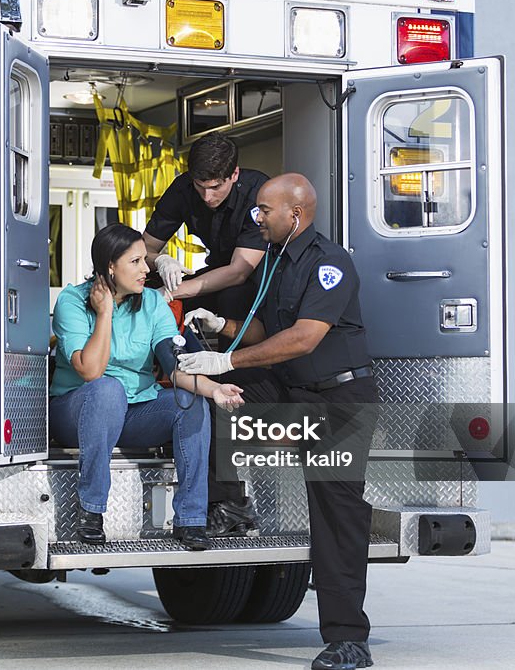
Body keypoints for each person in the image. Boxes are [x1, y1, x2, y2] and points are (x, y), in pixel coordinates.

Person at [178, 173, 379, 670]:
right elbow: (270, 329)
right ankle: (229, 505)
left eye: (264, 210)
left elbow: (304, 338)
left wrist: (227, 361)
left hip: (338, 400)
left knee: (335, 515)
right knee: (219, 397)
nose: (256, 217)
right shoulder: (273, 262)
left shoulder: (330, 263)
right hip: (293, 389)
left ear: (296, 213)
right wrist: (219, 328)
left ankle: (348, 640)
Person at [50, 223, 245, 552]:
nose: (146, 269)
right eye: (136, 262)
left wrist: (213, 390)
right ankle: (92, 512)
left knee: (190, 402)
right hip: (78, 412)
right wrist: (105, 312)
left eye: (145, 261)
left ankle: (192, 519)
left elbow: (175, 365)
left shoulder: (153, 303)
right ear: (110, 266)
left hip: (134, 413)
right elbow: (90, 371)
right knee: (107, 389)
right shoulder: (72, 300)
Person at [143, 131, 268, 532]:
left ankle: (223, 381)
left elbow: (240, 270)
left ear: (233, 175)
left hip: (252, 279)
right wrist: (161, 262)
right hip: (213, 271)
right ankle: (168, 371)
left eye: (215, 187)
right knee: (145, 289)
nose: (208, 196)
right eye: (201, 187)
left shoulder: (256, 191)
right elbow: (144, 247)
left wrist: (181, 290)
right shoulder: (185, 188)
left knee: (229, 301)